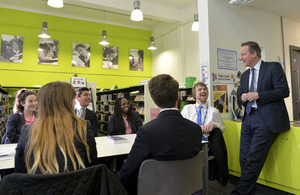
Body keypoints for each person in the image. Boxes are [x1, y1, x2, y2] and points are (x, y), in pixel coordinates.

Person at [118, 74, 203, 195]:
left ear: (155, 100)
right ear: (178, 96)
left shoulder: (147, 131)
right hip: (189, 189)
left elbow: (127, 173)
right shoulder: (195, 129)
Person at [231, 41, 290, 195]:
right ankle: (248, 191)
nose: (241, 58)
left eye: (243, 54)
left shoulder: (273, 67)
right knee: (244, 158)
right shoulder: (244, 75)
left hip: (267, 120)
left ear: (254, 54)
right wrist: (242, 98)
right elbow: (239, 98)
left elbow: (284, 91)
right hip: (249, 118)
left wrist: (259, 95)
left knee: (253, 158)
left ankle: (239, 192)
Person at [15, 81, 98, 174]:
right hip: (76, 186)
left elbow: (20, 170)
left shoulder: (27, 131)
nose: (75, 102)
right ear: (68, 102)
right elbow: (92, 165)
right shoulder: (83, 127)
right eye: (73, 99)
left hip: (38, 187)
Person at [181, 82, 229, 185]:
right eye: (200, 89)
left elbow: (223, 129)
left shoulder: (213, 111)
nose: (203, 91)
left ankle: (222, 175)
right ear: (194, 94)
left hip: (209, 143)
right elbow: (181, 127)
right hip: (192, 142)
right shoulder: (187, 109)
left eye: (204, 89)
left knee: (217, 132)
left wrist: (214, 124)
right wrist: (197, 128)